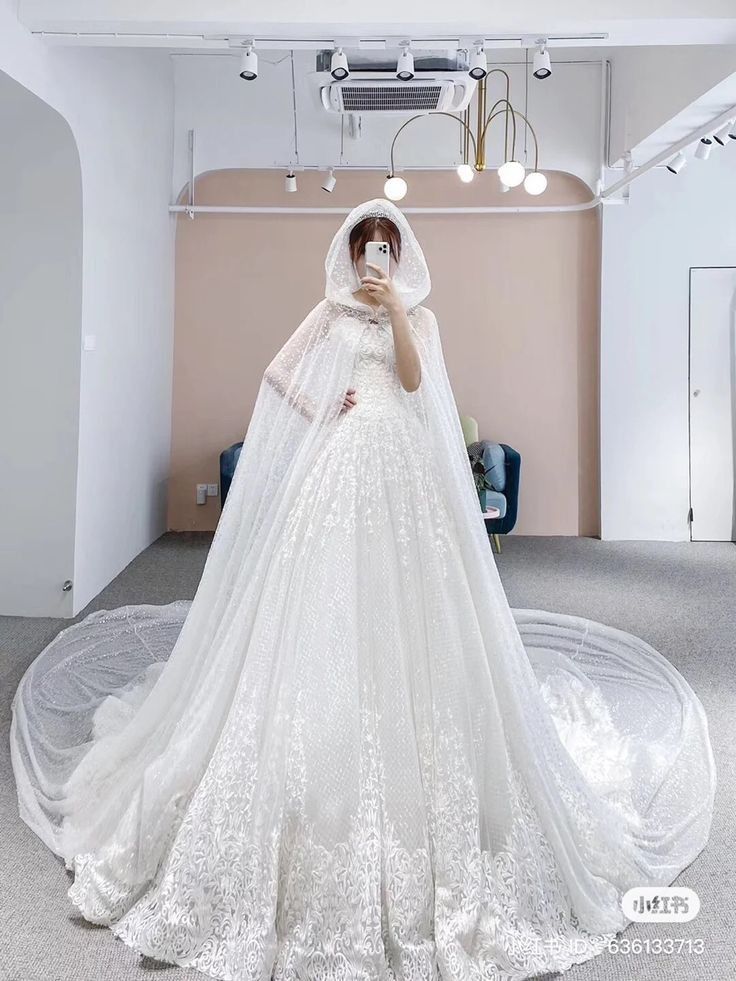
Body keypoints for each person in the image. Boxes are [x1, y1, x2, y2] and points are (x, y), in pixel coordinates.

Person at [10, 198, 716, 981]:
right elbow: (280, 375)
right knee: (318, 616)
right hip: (341, 464)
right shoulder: (329, 313)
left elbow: (416, 387)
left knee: (420, 622)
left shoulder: (424, 320)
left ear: (400, 252)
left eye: (386, 244)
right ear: (349, 254)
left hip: (404, 476)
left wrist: (399, 316)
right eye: (365, 246)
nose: (374, 257)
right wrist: (325, 404)